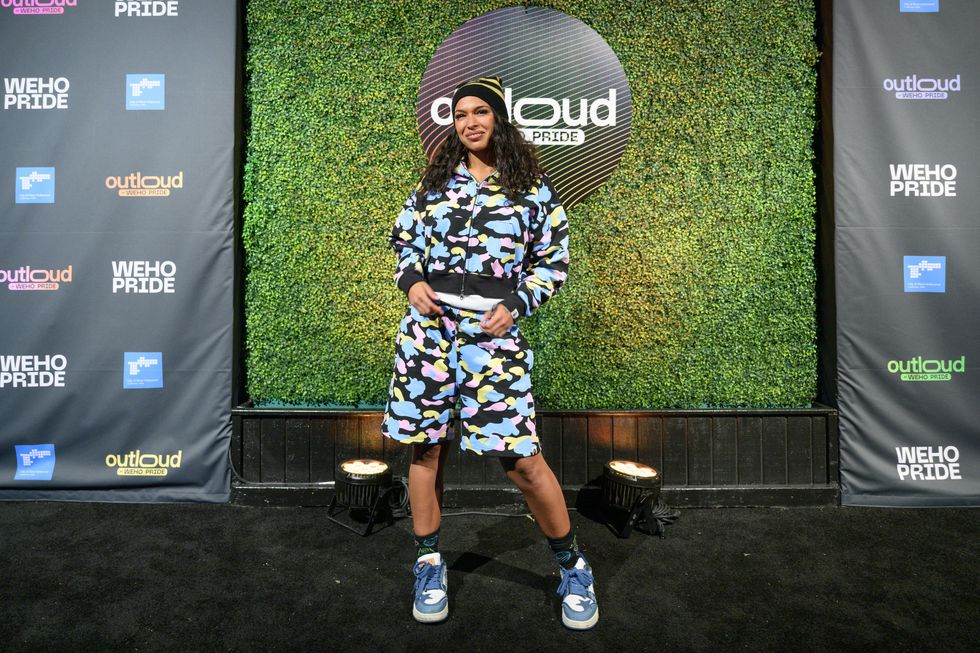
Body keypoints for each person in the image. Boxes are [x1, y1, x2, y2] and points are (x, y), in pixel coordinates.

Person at [381, 76, 598, 630]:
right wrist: (411, 282)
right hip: (428, 337)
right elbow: (404, 241)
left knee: (523, 463)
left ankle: (573, 567)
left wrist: (518, 303)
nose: (469, 122)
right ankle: (429, 563)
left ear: (499, 118)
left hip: (492, 340)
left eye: (480, 112)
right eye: (460, 115)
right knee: (425, 452)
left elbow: (552, 263)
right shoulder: (434, 182)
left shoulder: (533, 189)